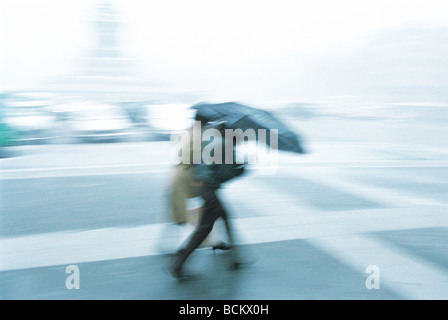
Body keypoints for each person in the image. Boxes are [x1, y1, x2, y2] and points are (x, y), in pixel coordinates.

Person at [167, 121, 247, 279]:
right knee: (204, 229)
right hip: (208, 190)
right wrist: (241, 168)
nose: (242, 139)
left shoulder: (213, 141)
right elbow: (225, 175)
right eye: (241, 136)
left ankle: (236, 258)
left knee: (225, 217)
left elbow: (212, 166)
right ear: (233, 134)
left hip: (203, 187)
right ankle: (178, 265)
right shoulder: (225, 146)